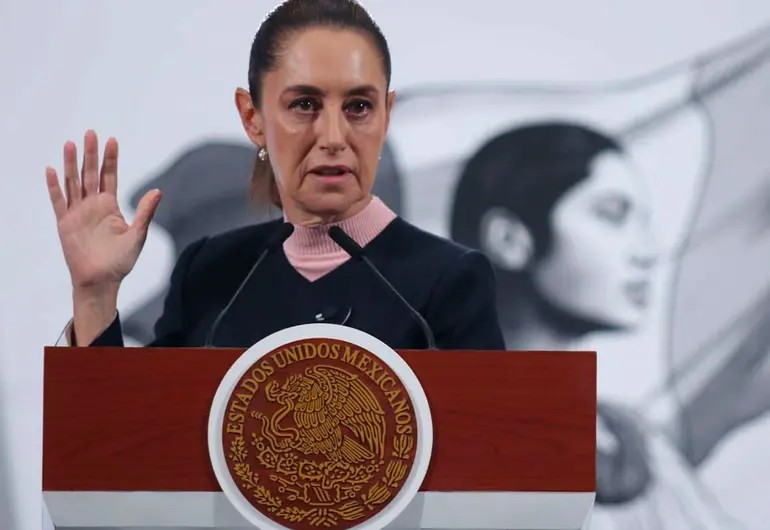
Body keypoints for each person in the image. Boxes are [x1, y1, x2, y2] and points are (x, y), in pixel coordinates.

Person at [45, 0, 505, 351]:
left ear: (386, 117)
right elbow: (129, 432)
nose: (333, 136)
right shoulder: (209, 272)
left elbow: (489, 441)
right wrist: (95, 295)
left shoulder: (452, 280)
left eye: (359, 106)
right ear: (253, 118)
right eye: (304, 104)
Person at [450, 122, 743, 529]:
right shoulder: (425, 434)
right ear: (509, 239)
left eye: (642, 222)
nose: (647, 252)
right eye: (612, 215)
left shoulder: (634, 441)